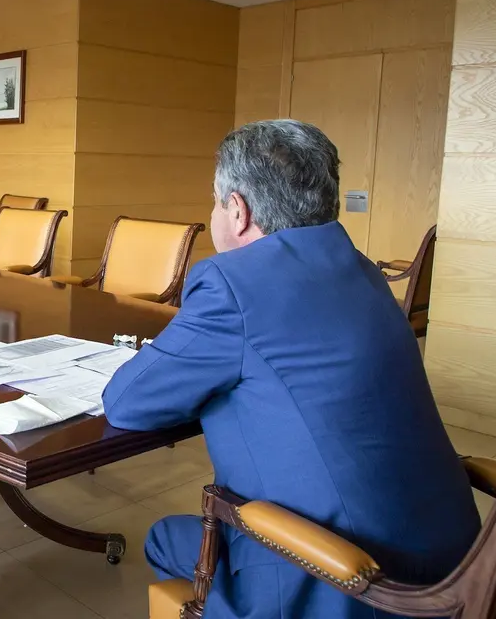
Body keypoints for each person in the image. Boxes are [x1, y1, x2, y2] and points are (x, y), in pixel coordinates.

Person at [102, 120, 479, 618]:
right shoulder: (363, 269)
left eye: (215, 202)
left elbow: (127, 403)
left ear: (238, 210)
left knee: (163, 537)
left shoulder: (231, 283)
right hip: (460, 569)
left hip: (348, 588)